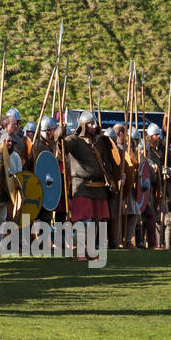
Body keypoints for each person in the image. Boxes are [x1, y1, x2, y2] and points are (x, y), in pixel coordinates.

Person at [61, 111, 120, 261]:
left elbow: (108, 164)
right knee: (84, 222)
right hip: (82, 186)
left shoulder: (99, 141)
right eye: (91, 123)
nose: (94, 126)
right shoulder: (74, 140)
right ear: (83, 125)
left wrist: (112, 181)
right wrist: (59, 136)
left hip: (99, 187)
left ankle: (90, 252)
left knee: (96, 222)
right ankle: (81, 253)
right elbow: (61, 150)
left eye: (94, 123)